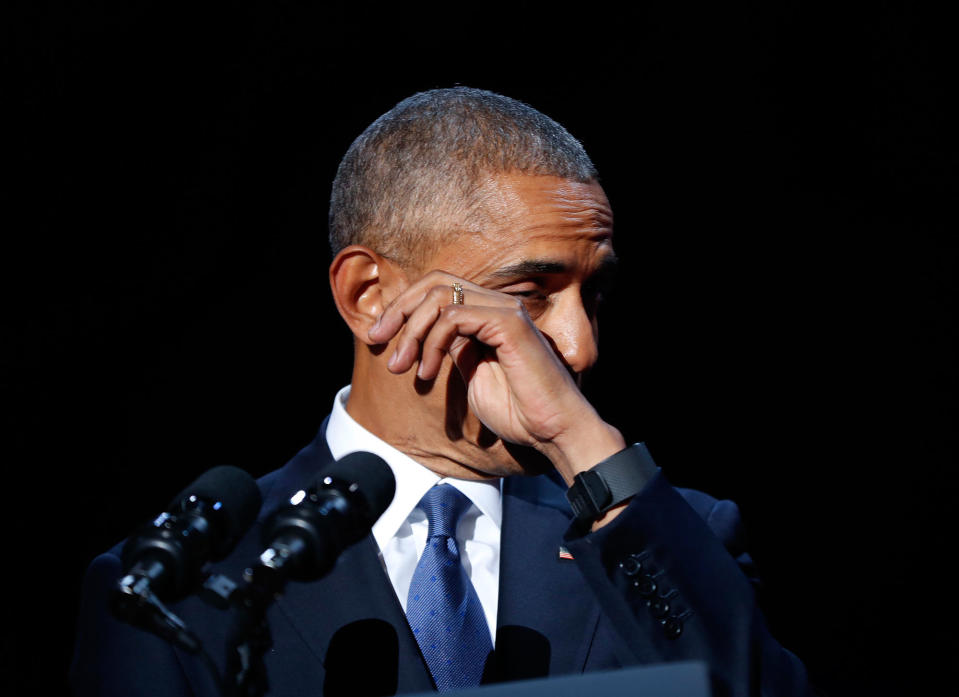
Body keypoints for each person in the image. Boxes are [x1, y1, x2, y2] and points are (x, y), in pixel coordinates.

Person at [70, 87, 812, 696]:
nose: (581, 347)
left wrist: (581, 443)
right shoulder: (178, 586)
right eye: (526, 293)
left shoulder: (663, 537)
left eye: (594, 298)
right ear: (367, 295)